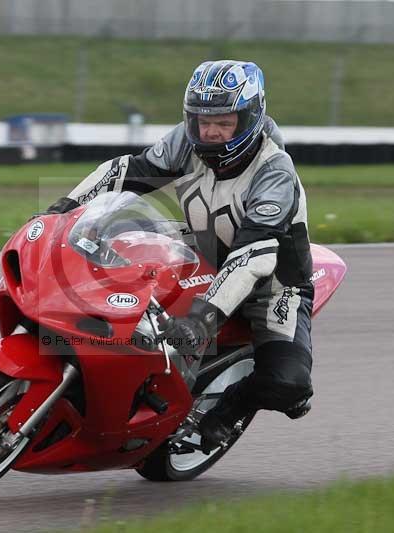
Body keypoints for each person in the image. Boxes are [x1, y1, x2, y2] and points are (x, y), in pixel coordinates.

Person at [42, 60, 314, 452]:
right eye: (202, 120)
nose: (211, 131)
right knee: (117, 267)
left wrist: (203, 318)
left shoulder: (274, 171)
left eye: (224, 121)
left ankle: (230, 406)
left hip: (272, 282)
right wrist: (63, 209)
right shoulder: (187, 141)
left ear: (252, 116)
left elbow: (253, 254)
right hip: (202, 252)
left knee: (289, 384)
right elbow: (128, 172)